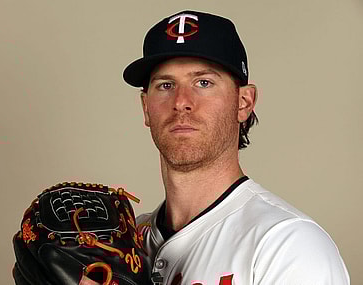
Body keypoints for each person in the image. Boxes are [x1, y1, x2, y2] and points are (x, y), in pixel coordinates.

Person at [118, 10, 350, 285]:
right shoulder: (125, 243)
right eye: (166, 85)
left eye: (203, 83)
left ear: (244, 102)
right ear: (146, 108)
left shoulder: (288, 245)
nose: (181, 101)